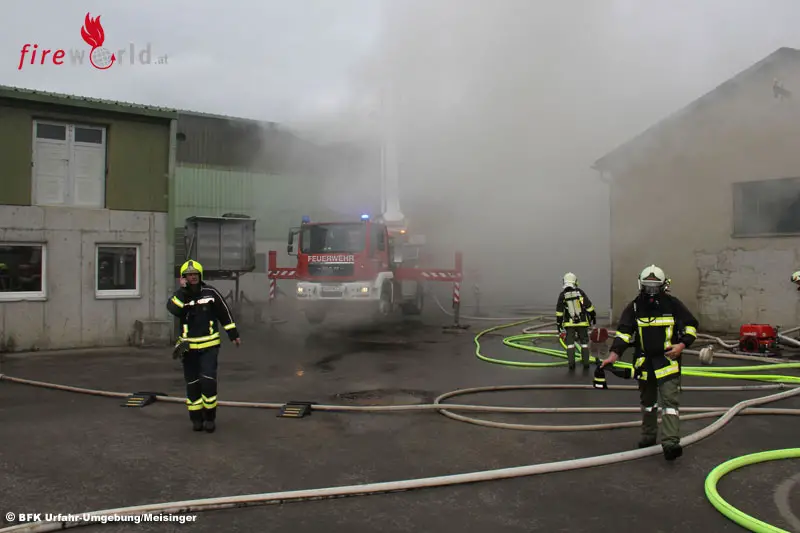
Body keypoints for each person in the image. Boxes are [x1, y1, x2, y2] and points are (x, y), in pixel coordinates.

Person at [600, 264, 698, 461]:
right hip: (645, 363)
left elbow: (691, 326)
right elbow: (624, 334)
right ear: (641, 285)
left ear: (663, 286)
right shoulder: (635, 307)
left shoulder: (673, 305)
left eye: (655, 287)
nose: (651, 291)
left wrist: (681, 345)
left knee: (670, 403)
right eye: (647, 287)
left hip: (668, 361)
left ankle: (670, 443)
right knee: (648, 403)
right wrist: (614, 355)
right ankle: (648, 436)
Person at [167, 259, 241, 433]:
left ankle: (209, 418)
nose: (192, 277)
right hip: (188, 349)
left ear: (200, 276)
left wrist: (233, 334)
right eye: (188, 275)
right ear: (183, 278)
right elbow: (174, 310)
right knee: (193, 385)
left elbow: (224, 313)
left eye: (195, 274)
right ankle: (196, 419)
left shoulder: (210, 293)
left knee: (208, 382)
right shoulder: (180, 296)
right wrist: (183, 291)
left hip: (209, 347)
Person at [556, 272, 597, 370]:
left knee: (570, 344)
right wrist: (593, 316)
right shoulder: (580, 293)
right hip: (582, 322)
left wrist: (559, 324)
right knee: (584, 343)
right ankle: (586, 363)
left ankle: (571, 364)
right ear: (575, 281)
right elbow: (588, 306)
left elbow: (559, 312)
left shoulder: (562, 295)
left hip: (569, 324)